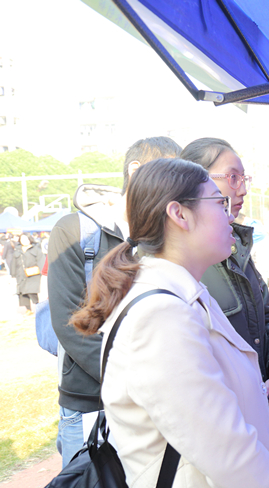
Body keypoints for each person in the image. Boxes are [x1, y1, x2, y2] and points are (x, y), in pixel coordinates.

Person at [69, 158, 269, 488]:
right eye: (219, 203)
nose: (230, 215)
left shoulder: (185, 296)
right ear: (179, 214)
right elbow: (222, 447)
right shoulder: (160, 314)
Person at [48, 137, 182, 468]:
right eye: (168, 172)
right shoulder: (75, 230)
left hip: (153, 404)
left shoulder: (164, 235)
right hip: (91, 401)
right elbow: (70, 323)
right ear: (135, 170)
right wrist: (137, 382)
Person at [181, 138, 269, 450]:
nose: (242, 189)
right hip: (225, 434)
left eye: (244, 178)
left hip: (262, 419)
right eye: (233, 177)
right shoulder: (183, 267)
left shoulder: (238, 251)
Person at [13, 232, 45, 314]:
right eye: (22, 239)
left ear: (30, 239)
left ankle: (38, 307)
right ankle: (28, 310)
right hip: (21, 274)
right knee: (23, 293)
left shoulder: (36, 249)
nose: (24, 241)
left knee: (32, 291)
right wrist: (13, 275)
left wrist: (43, 272)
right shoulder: (17, 250)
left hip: (33, 274)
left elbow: (41, 261)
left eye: (26, 239)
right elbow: (13, 263)